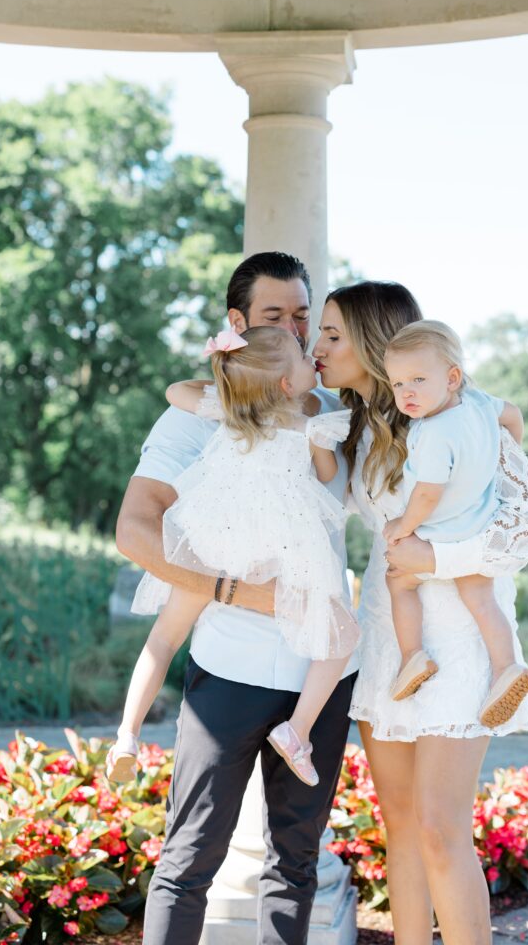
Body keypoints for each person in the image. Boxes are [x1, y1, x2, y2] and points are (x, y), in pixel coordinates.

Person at [115, 252, 357, 945]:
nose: (296, 328)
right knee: (190, 858)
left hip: (323, 672)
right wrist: (236, 592)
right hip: (229, 670)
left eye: (303, 317)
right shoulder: (199, 419)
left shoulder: (334, 415)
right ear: (238, 322)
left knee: (296, 865)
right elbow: (134, 530)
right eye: (275, 316)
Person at [312, 282, 528, 945]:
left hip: (460, 639)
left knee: (442, 830)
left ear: (372, 341)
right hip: (390, 637)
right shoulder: (353, 426)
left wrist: (432, 562)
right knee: (403, 828)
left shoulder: (467, 416)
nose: (320, 346)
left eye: (333, 335)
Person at [107, 326, 358, 790]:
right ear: (287, 384)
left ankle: (126, 735)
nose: (312, 363)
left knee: (164, 638)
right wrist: (320, 446)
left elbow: (173, 390)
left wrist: (232, 385)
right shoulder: (310, 428)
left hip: (214, 541)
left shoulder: (230, 412)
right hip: (280, 551)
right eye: (304, 359)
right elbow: (327, 481)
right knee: (342, 633)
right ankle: (297, 731)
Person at [381, 319, 528, 728]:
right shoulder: (481, 404)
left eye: (417, 379)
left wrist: (403, 526)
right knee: (482, 601)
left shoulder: (433, 431)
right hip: (479, 529)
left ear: (451, 377)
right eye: (396, 384)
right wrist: (505, 456)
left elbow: (428, 494)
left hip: (439, 535)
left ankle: (413, 656)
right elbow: (514, 416)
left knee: (398, 580)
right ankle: (507, 669)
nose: (406, 392)